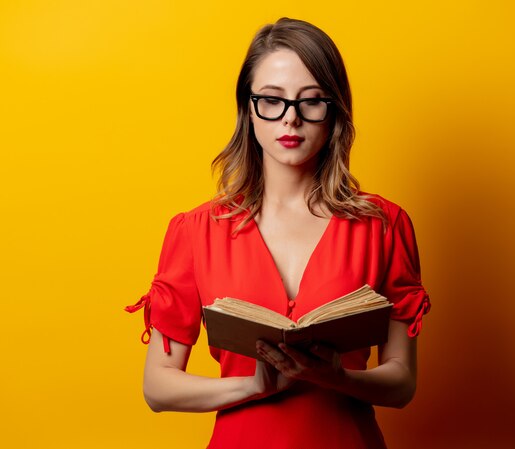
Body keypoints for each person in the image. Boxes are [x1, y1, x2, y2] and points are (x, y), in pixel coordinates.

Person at [126, 17, 431, 449]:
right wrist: (254, 386)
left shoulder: (383, 226)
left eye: (311, 101)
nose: (290, 119)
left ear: (334, 112)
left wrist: (337, 377)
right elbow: (158, 386)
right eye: (272, 100)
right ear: (249, 109)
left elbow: (402, 383)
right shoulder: (196, 232)